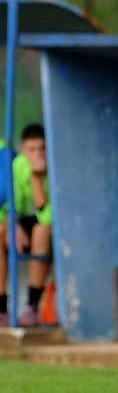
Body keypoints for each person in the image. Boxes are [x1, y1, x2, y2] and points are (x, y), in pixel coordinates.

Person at [0, 124, 52, 327]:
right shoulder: (19, 164)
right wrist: (15, 225)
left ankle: (32, 306)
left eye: (42, 148)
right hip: (33, 220)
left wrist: (36, 178)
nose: (37, 154)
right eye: (32, 149)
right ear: (23, 149)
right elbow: (14, 205)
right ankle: (2, 309)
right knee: (2, 230)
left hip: (54, 227)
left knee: (41, 231)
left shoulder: (55, 161)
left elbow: (46, 213)